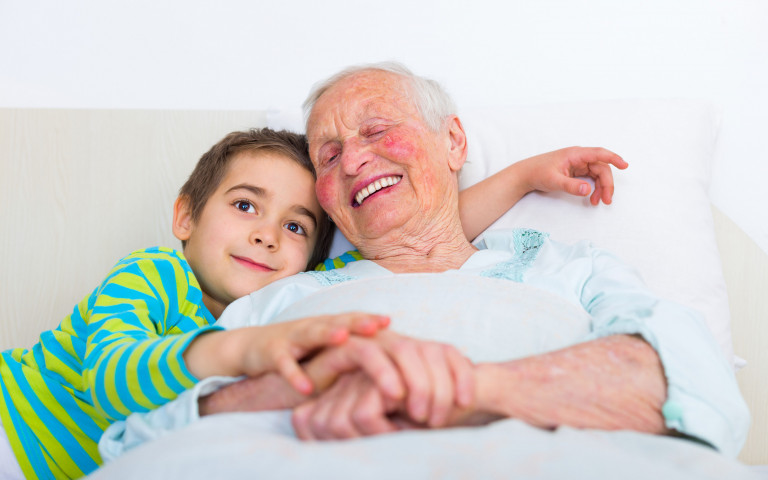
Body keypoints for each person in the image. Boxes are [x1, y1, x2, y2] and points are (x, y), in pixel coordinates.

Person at [98, 62, 748, 470]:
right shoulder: (282, 301)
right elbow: (142, 439)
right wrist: (313, 380)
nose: (352, 161)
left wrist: (459, 389)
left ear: (454, 143)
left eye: (378, 131)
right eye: (327, 155)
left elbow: (696, 391)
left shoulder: (568, 272)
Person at [0, 120, 622, 479]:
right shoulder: (153, 276)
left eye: (296, 227)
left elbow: (417, 236)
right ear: (186, 216)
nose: (268, 234)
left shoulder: (293, 295)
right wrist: (243, 349)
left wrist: (520, 177)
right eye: (245, 205)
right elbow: (112, 377)